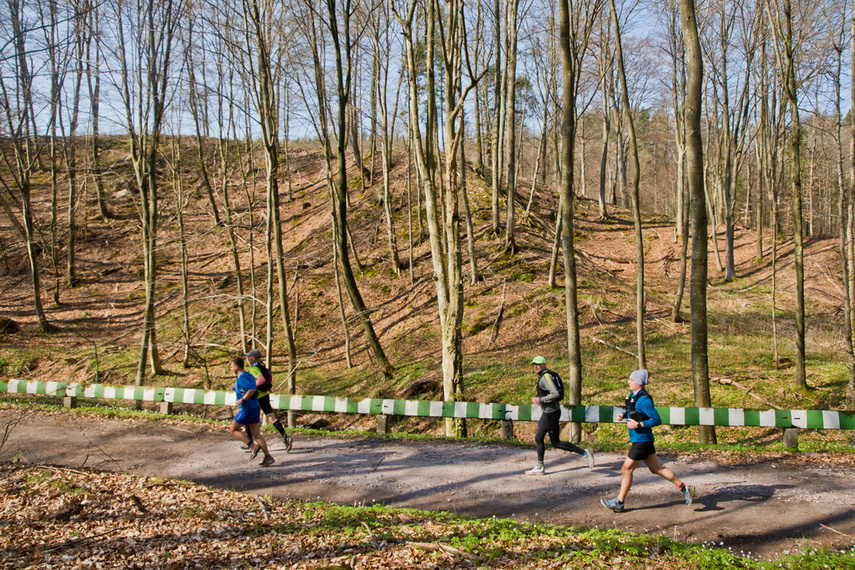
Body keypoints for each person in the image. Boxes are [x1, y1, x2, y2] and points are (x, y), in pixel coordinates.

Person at [600, 369, 695, 512]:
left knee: (626, 469)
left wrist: (638, 425)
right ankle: (684, 488)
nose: (628, 382)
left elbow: (657, 419)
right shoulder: (634, 396)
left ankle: (619, 502)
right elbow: (634, 410)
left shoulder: (644, 400)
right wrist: (623, 414)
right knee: (656, 468)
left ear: (638, 382)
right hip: (643, 439)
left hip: (641, 441)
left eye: (631, 380)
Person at [525, 356, 594, 475]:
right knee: (538, 437)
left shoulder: (546, 377)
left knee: (556, 442)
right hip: (548, 412)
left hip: (551, 413)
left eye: (538, 364)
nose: (535, 366)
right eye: (534, 364)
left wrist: (540, 399)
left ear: (544, 364)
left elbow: (555, 394)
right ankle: (540, 466)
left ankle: (585, 453)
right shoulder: (546, 375)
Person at [228, 355, 275, 467]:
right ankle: (268, 456)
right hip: (255, 408)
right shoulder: (248, 374)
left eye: (231, 366)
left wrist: (242, 399)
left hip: (247, 409)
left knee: (233, 429)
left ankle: (252, 446)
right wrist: (237, 389)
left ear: (236, 367)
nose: (231, 369)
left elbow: (252, 389)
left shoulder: (242, 377)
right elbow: (251, 386)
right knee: (256, 434)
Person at [245, 348, 293, 452]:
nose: (248, 358)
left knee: (248, 419)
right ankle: (285, 437)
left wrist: (251, 387)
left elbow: (261, 380)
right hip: (264, 395)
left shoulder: (254, 369)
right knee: (271, 418)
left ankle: (250, 444)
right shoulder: (262, 366)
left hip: (256, 397)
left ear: (253, 358)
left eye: (249, 357)